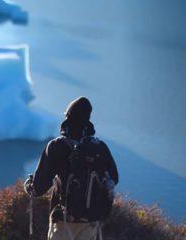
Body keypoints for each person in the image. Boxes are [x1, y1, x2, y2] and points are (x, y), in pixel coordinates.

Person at [24, 96, 118, 240]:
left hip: (63, 220)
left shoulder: (56, 146)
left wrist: (29, 185)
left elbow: (38, 188)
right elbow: (114, 178)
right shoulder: (100, 148)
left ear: (67, 118)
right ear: (88, 120)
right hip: (90, 222)